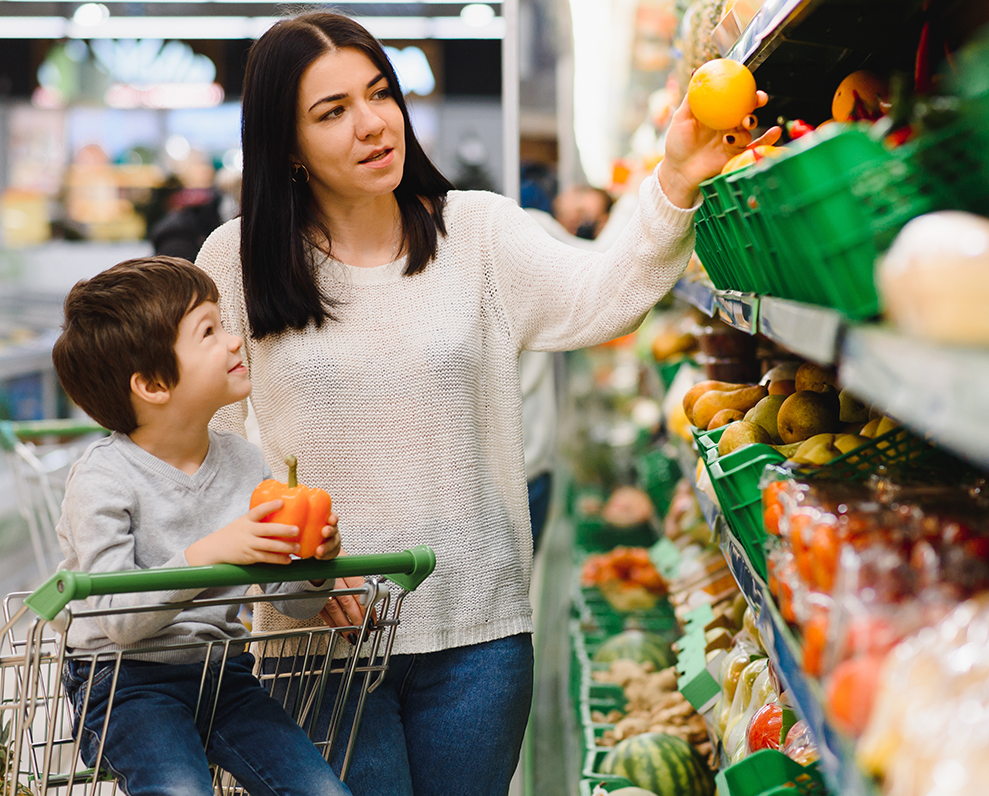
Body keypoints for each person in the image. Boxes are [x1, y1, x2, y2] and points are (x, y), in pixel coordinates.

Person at [195, 12, 779, 796]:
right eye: (332, 112)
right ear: (286, 146)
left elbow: (600, 299)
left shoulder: (475, 232)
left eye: (379, 95)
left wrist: (672, 179)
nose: (371, 125)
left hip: (476, 641)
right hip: (315, 646)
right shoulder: (236, 261)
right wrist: (281, 567)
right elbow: (206, 450)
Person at [50, 256, 355, 796]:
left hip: (225, 675)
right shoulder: (102, 480)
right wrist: (216, 550)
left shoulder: (246, 463)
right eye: (209, 331)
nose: (235, 340)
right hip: (124, 684)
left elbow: (289, 602)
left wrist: (315, 564)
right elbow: (118, 622)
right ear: (152, 384)